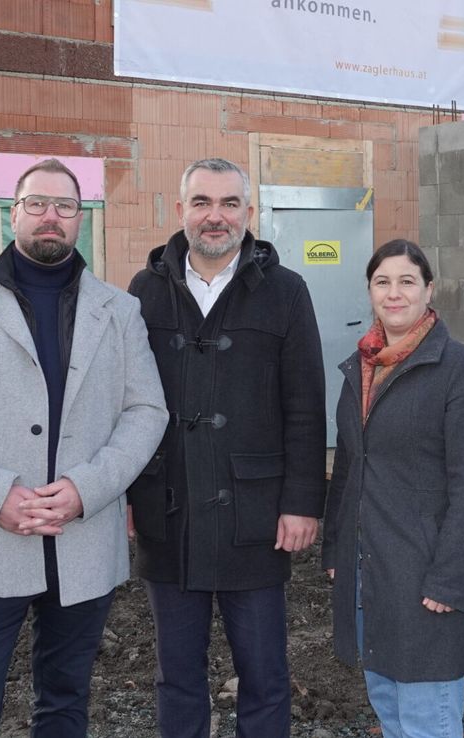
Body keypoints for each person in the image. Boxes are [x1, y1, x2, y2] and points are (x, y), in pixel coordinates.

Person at [0, 158, 169, 738]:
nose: (52, 216)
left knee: (66, 704)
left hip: (80, 546)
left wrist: (87, 490)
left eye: (66, 206)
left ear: (81, 218)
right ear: (14, 213)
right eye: (38, 204)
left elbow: (147, 412)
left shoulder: (119, 312)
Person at [127, 157, 327, 738]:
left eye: (229, 203)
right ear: (180, 210)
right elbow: (125, 403)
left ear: (249, 212)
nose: (215, 217)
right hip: (171, 510)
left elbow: (306, 406)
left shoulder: (287, 292)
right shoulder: (145, 291)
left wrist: (303, 501)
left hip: (257, 514)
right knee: (176, 674)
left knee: (265, 673)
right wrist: (130, 499)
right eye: (202, 203)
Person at [321, 239, 464, 738]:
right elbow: (349, 466)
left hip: (425, 572)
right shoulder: (361, 367)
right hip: (369, 566)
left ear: (428, 289)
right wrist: (336, 547)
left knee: (427, 715)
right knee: (388, 706)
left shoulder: (458, 370)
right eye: (382, 282)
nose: (393, 293)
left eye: (406, 281)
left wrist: (449, 578)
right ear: (369, 291)